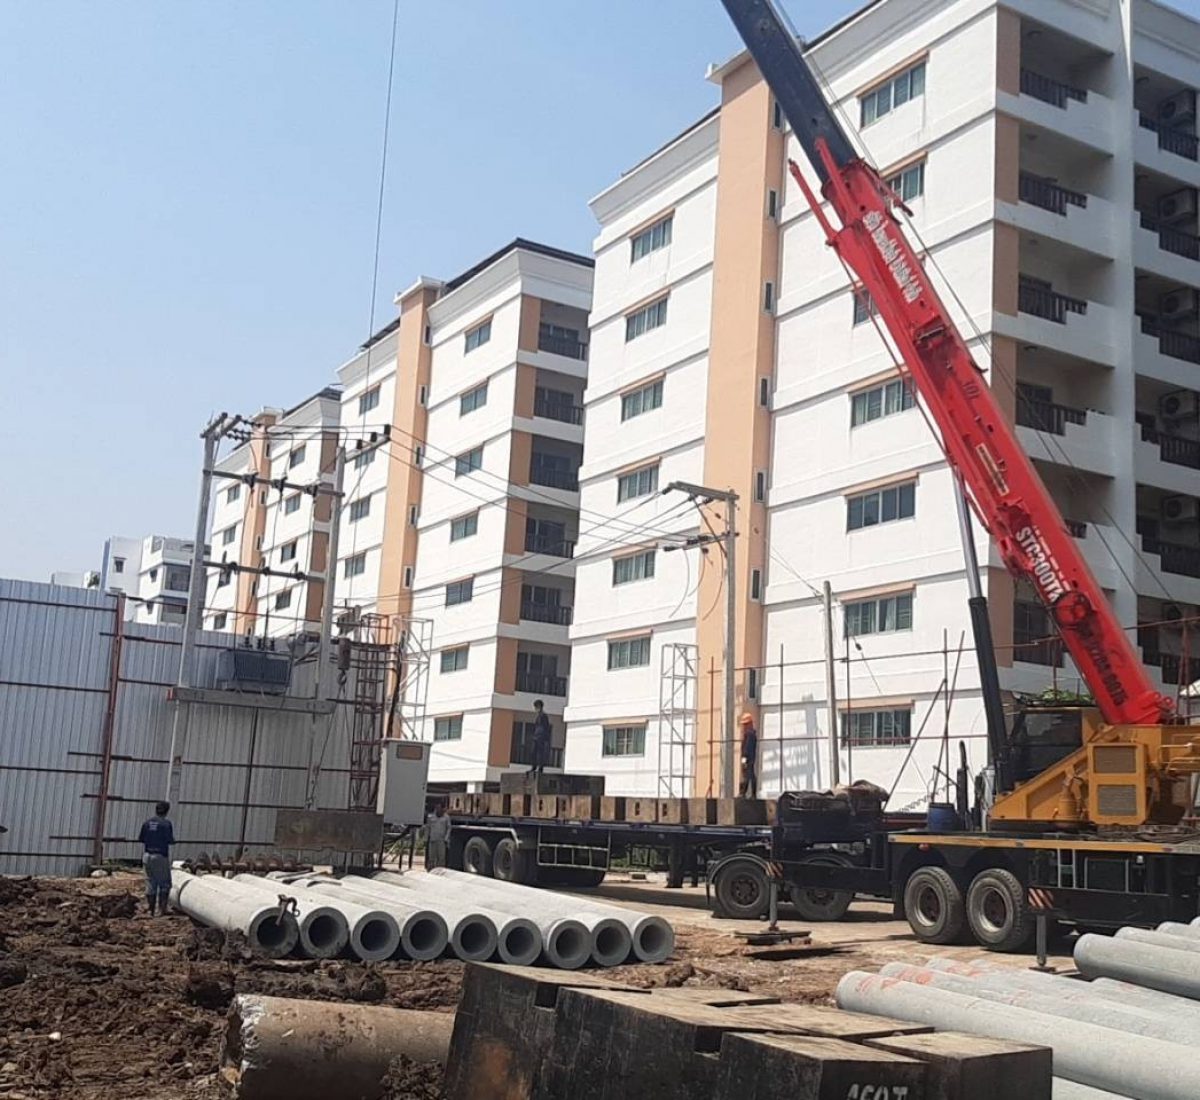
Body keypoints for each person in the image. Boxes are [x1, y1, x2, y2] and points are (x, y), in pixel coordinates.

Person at [138, 801, 175, 915]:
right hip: (160, 856)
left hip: (147, 856)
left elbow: (141, 839)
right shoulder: (166, 824)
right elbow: (170, 840)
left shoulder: (147, 823)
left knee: (150, 883)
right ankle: (162, 910)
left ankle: (151, 910)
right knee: (165, 884)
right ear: (167, 811)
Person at [738, 713, 759, 799]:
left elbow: (747, 748)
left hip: (747, 758)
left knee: (746, 774)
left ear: (749, 724)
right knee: (750, 774)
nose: (744, 726)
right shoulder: (752, 734)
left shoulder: (749, 735)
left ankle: (743, 793)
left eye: (745, 724)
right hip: (750, 757)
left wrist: (744, 759)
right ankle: (752, 794)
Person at [530, 698, 552, 775]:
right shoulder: (538, 716)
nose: (536, 709)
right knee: (533, 753)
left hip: (541, 737)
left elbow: (545, 727)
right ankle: (534, 766)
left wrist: (544, 737)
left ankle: (540, 767)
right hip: (536, 737)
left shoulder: (544, 716)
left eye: (536, 707)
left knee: (540, 753)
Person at [425, 803, 451, 869]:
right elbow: (428, 828)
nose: (438, 810)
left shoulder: (446, 817)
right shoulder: (431, 817)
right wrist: (426, 838)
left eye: (439, 808)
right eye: (437, 808)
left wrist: (446, 838)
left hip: (441, 840)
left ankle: (440, 870)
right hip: (432, 840)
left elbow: (449, 828)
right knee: (431, 857)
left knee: (441, 857)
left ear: (442, 809)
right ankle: (430, 869)